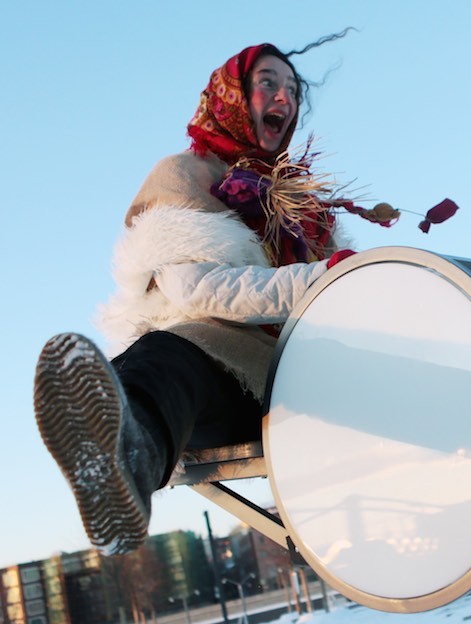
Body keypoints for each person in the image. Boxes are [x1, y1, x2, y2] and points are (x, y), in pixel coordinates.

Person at [32, 33, 391, 555]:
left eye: (292, 89)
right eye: (268, 83)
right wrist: (323, 277)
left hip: (308, 383)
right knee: (170, 356)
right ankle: (127, 456)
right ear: (231, 95)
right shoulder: (185, 174)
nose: (285, 99)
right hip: (227, 382)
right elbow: (200, 289)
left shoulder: (303, 202)